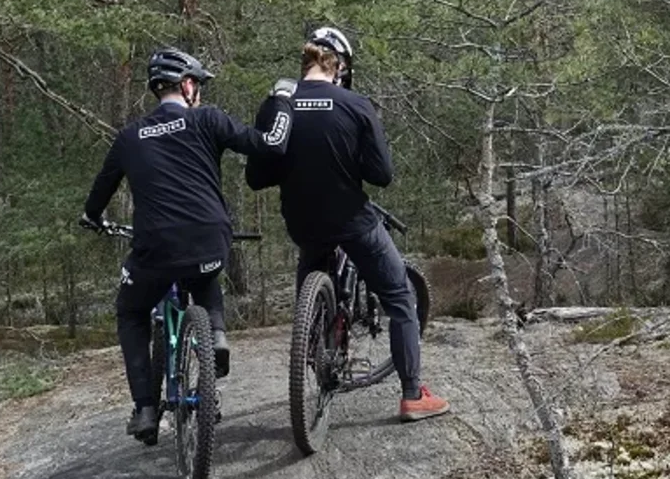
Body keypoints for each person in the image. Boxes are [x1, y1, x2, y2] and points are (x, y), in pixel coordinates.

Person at [81, 47, 297, 444]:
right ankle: (215, 334)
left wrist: (93, 218)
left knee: (131, 312)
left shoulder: (130, 138)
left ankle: (145, 407)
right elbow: (271, 144)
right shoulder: (207, 120)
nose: (199, 91)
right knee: (205, 271)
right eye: (197, 84)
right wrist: (282, 101)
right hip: (210, 240)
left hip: (155, 250)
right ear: (186, 85)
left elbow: (98, 195)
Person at [245, 27, 449, 422]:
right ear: (339, 67)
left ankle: (314, 343)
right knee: (399, 297)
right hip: (352, 220)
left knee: (312, 265)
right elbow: (381, 175)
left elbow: (256, 177)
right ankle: (412, 395)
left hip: (302, 223)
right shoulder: (355, 104)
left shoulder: (277, 104)